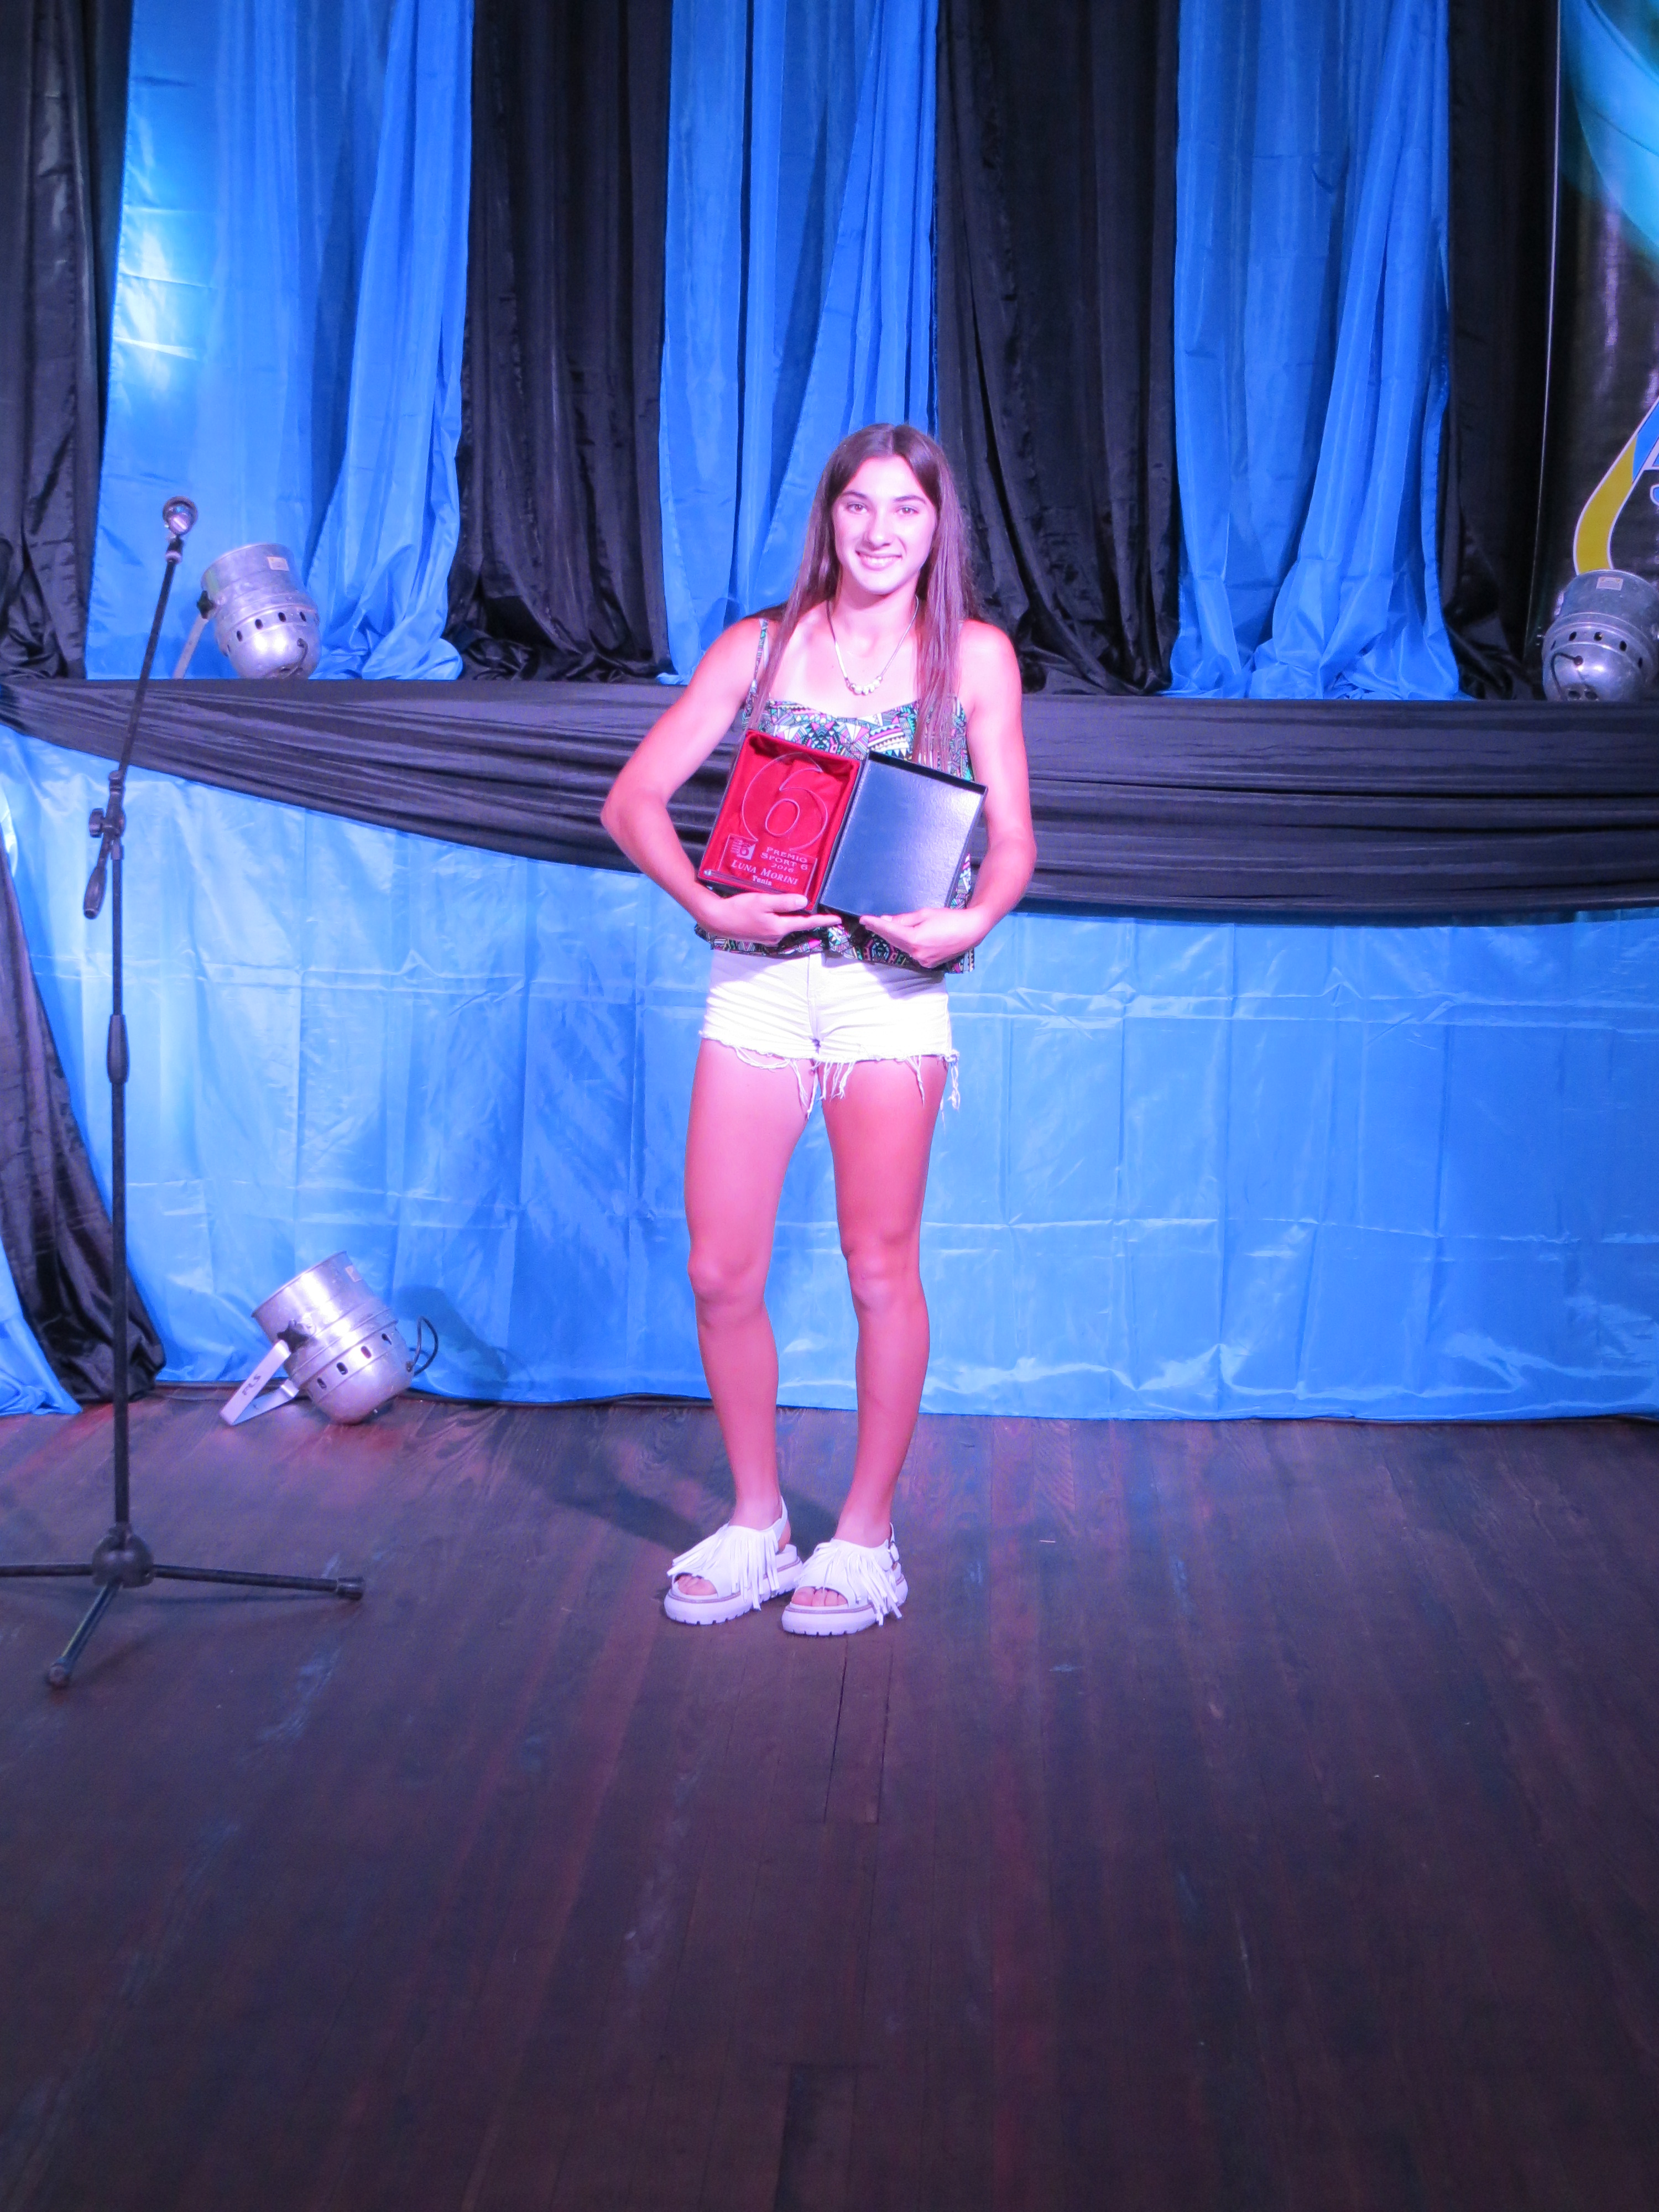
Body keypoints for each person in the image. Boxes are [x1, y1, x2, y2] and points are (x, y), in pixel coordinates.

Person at [601, 422, 1035, 1636]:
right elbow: (633, 801)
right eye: (859, 506)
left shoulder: (975, 656)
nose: (881, 530)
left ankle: (865, 1537)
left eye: (907, 509)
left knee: (879, 1267)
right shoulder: (760, 645)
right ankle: (758, 1524)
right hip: (758, 979)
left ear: (938, 528)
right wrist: (705, 903)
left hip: (887, 991)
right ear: (829, 517)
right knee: (719, 1268)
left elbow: (1012, 844)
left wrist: (972, 920)